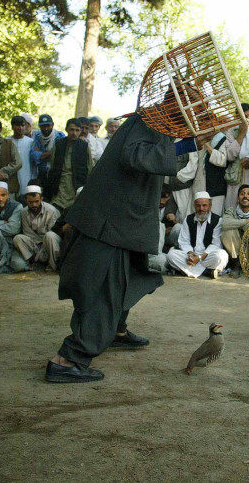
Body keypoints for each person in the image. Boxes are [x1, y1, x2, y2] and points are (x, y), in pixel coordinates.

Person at [45, 111, 204, 384]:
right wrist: (187, 142)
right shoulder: (149, 121)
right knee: (106, 288)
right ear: (177, 104)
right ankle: (69, 359)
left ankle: (116, 330)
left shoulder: (156, 124)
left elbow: (156, 160)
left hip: (123, 223)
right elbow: (136, 155)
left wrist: (191, 143)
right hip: (111, 223)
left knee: (130, 277)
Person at [167, 192, 230, 278]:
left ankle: (187, 270)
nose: (201, 208)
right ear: (194, 206)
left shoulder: (217, 220)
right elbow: (184, 241)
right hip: (191, 256)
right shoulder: (188, 219)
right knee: (171, 255)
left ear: (210, 206)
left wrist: (200, 257)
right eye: (198, 206)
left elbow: (216, 244)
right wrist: (190, 254)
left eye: (204, 205)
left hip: (207, 256)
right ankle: (207, 271)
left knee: (222, 256)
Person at [44, 118, 91, 214]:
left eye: (77, 130)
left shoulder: (84, 146)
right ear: (66, 130)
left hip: (76, 184)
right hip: (59, 184)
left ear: (80, 131)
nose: (74, 133)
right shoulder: (59, 144)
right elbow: (53, 165)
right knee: (56, 211)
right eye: (72, 130)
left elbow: (89, 167)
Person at [10, 185, 61, 272]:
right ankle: (34, 261)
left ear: (41, 199)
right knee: (18, 238)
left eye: (36, 201)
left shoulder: (51, 211)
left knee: (50, 236)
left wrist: (42, 245)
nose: (34, 205)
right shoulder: (24, 212)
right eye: (30, 202)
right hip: (35, 244)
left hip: (49, 243)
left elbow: (54, 231)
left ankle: (53, 265)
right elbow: (27, 233)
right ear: (26, 201)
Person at [221, 184, 249, 278]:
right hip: (237, 250)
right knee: (228, 232)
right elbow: (224, 223)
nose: (245, 196)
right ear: (238, 199)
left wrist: (240, 225)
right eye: (242, 194)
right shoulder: (232, 210)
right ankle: (237, 263)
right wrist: (245, 221)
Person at [31, 114, 65, 183]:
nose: (46, 128)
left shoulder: (60, 136)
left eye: (48, 126)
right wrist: (52, 152)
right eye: (43, 126)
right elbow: (34, 156)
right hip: (40, 174)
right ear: (39, 126)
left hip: (55, 173)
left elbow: (60, 155)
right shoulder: (36, 136)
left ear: (52, 125)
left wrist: (42, 154)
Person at [10, 115, 36, 196]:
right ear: (12, 127)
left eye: (22, 125)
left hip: (27, 176)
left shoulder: (31, 142)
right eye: (18, 125)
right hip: (11, 178)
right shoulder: (7, 141)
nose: (20, 128)